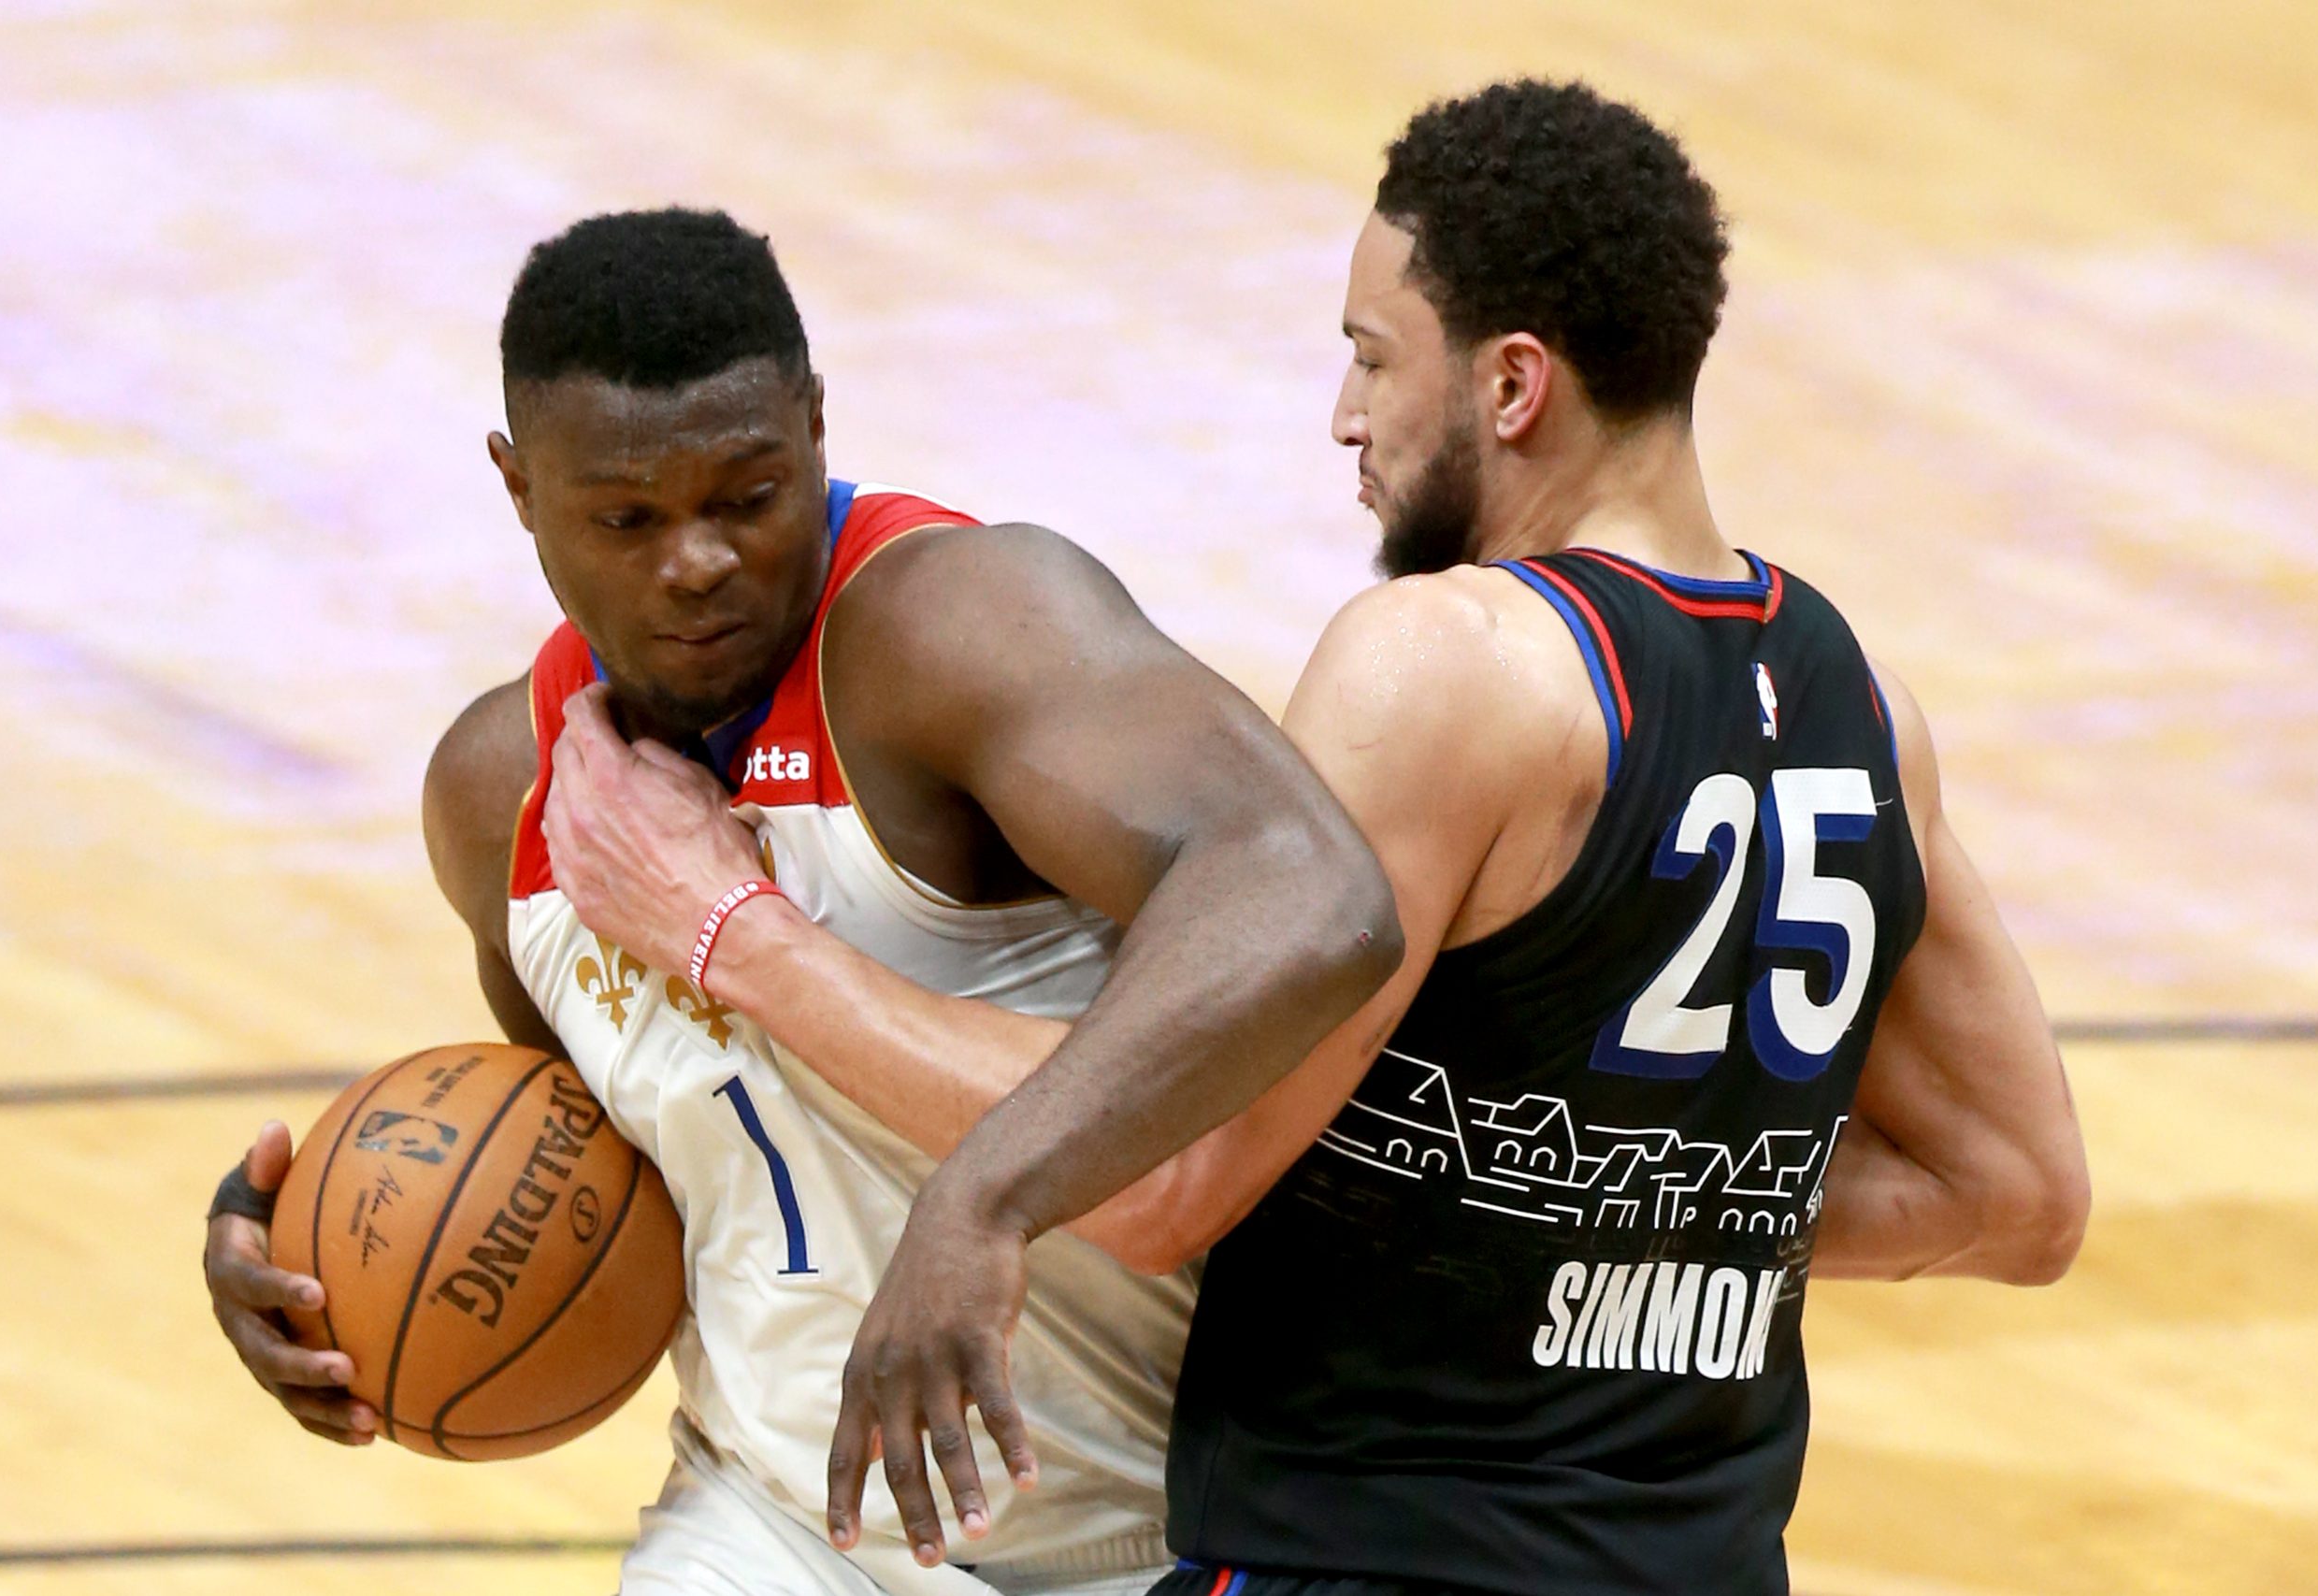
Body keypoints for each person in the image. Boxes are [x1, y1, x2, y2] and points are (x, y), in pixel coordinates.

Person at [557, 83, 2092, 1592]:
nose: (1346, 418)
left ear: (1511, 388)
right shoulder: (1863, 706)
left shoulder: (1450, 666)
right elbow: (2016, 1191)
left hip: (1368, 1557)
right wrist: (1636, 1225)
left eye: (1372, 360)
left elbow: (1167, 1173)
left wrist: (731, 935)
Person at [200, 206, 1404, 1596]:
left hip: (1149, 1540)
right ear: (519, 489)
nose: (698, 558)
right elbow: (611, 1181)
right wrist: (318, 1270)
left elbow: (1312, 889)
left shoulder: (952, 630)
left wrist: (982, 1200)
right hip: (769, 1522)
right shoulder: (496, 799)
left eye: (749, 496)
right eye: (627, 518)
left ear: (819, 428)